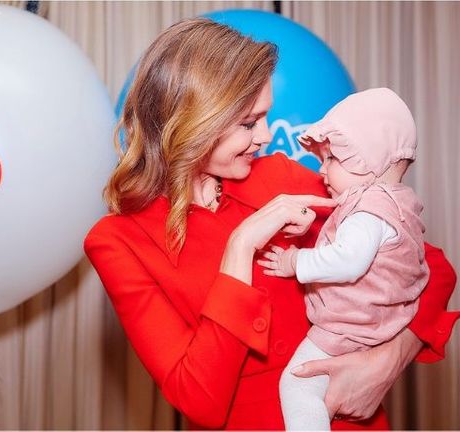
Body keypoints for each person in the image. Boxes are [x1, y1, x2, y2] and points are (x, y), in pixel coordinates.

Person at [84, 18, 459, 430]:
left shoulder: (281, 177)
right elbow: (200, 400)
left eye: (265, 117)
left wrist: (387, 359)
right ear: (193, 121)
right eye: (248, 123)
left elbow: (428, 267)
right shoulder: (118, 241)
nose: (265, 136)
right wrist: (240, 248)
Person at [258, 88, 430, 430]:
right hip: (382, 323)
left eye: (332, 159)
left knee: (297, 384)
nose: (321, 170)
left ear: (366, 161)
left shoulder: (367, 212)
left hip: (350, 327)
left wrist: (296, 262)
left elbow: (349, 261)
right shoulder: (398, 204)